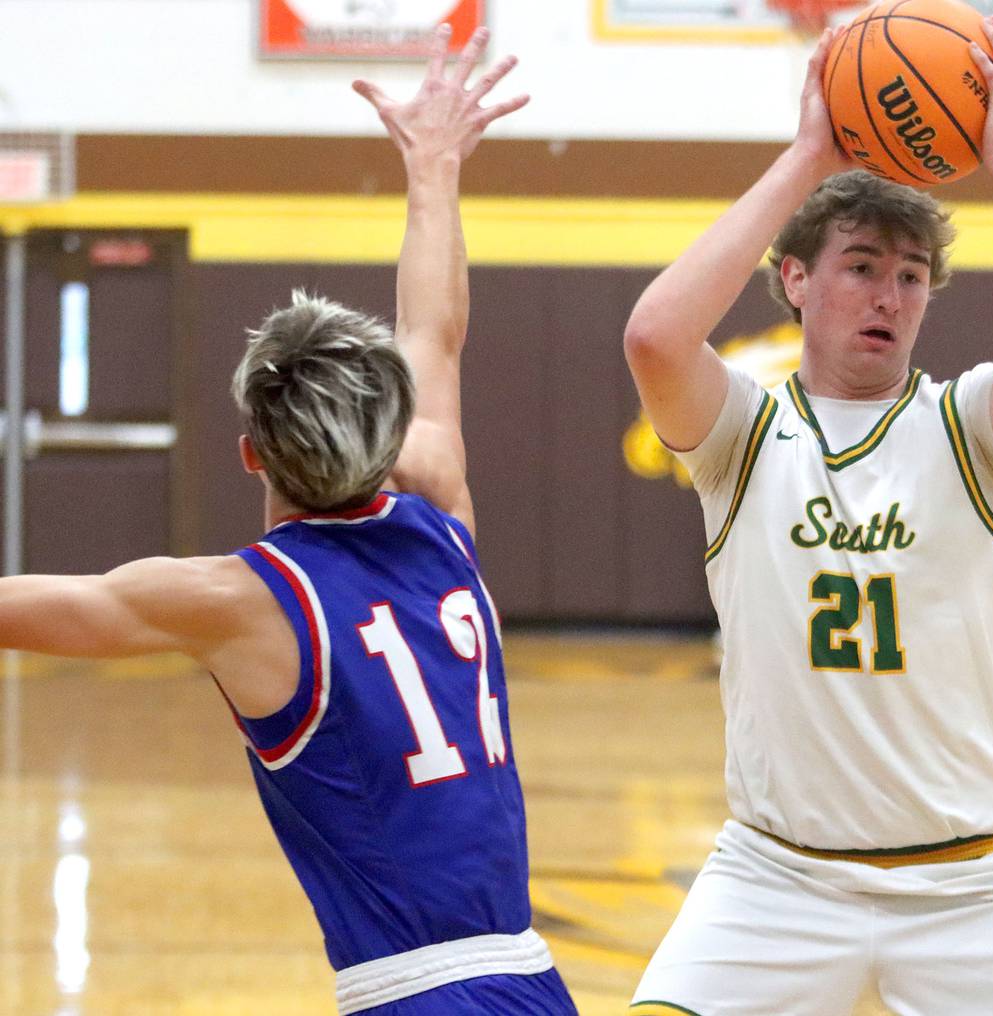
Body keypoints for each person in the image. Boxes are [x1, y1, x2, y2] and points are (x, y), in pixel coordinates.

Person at [0, 25, 577, 1016]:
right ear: (389, 436)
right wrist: (433, 170)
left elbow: (26, 607)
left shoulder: (243, 601)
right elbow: (434, 330)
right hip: (531, 974)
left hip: (413, 994)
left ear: (250, 452)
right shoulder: (441, 505)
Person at [622, 17, 993, 1016]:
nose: (889, 291)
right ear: (795, 279)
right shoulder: (745, 433)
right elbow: (656, 337)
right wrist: (809, 151)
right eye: (859, 264)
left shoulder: (967, 424)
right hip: (777, 875)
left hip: (977, 880)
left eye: (910, 273)